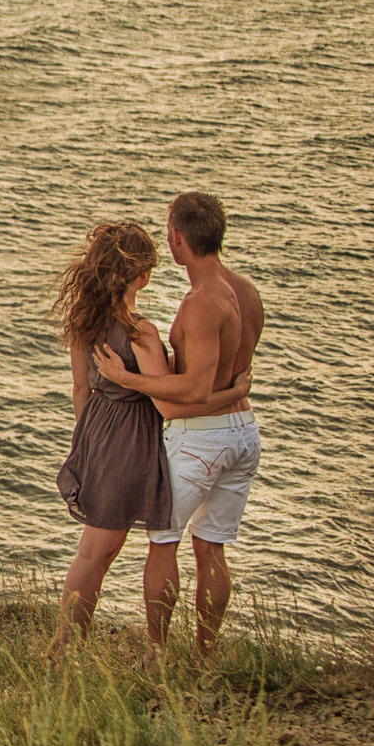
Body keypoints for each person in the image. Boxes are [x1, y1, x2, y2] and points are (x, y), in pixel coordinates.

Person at [92, 191, 264, 657]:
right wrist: (235, 392)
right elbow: (230, 376)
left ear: (176, 239)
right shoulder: (247, 292)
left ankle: (157, 654)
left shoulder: (201, 303)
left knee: (163, 543)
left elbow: (193, 392)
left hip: (199, 440)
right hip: (242, 433)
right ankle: (206, 655)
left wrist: (124, 376)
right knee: (212, 549)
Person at [47, 220, 181, 650]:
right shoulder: (141, 331)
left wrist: (86, 444)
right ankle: (65, 648)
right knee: (99, 550)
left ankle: (66, 646)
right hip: (130, 437)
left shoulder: (84, 319)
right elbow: (165, 402)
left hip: (96, 430)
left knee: (95, 550)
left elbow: (80, 388)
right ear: (140, 276)